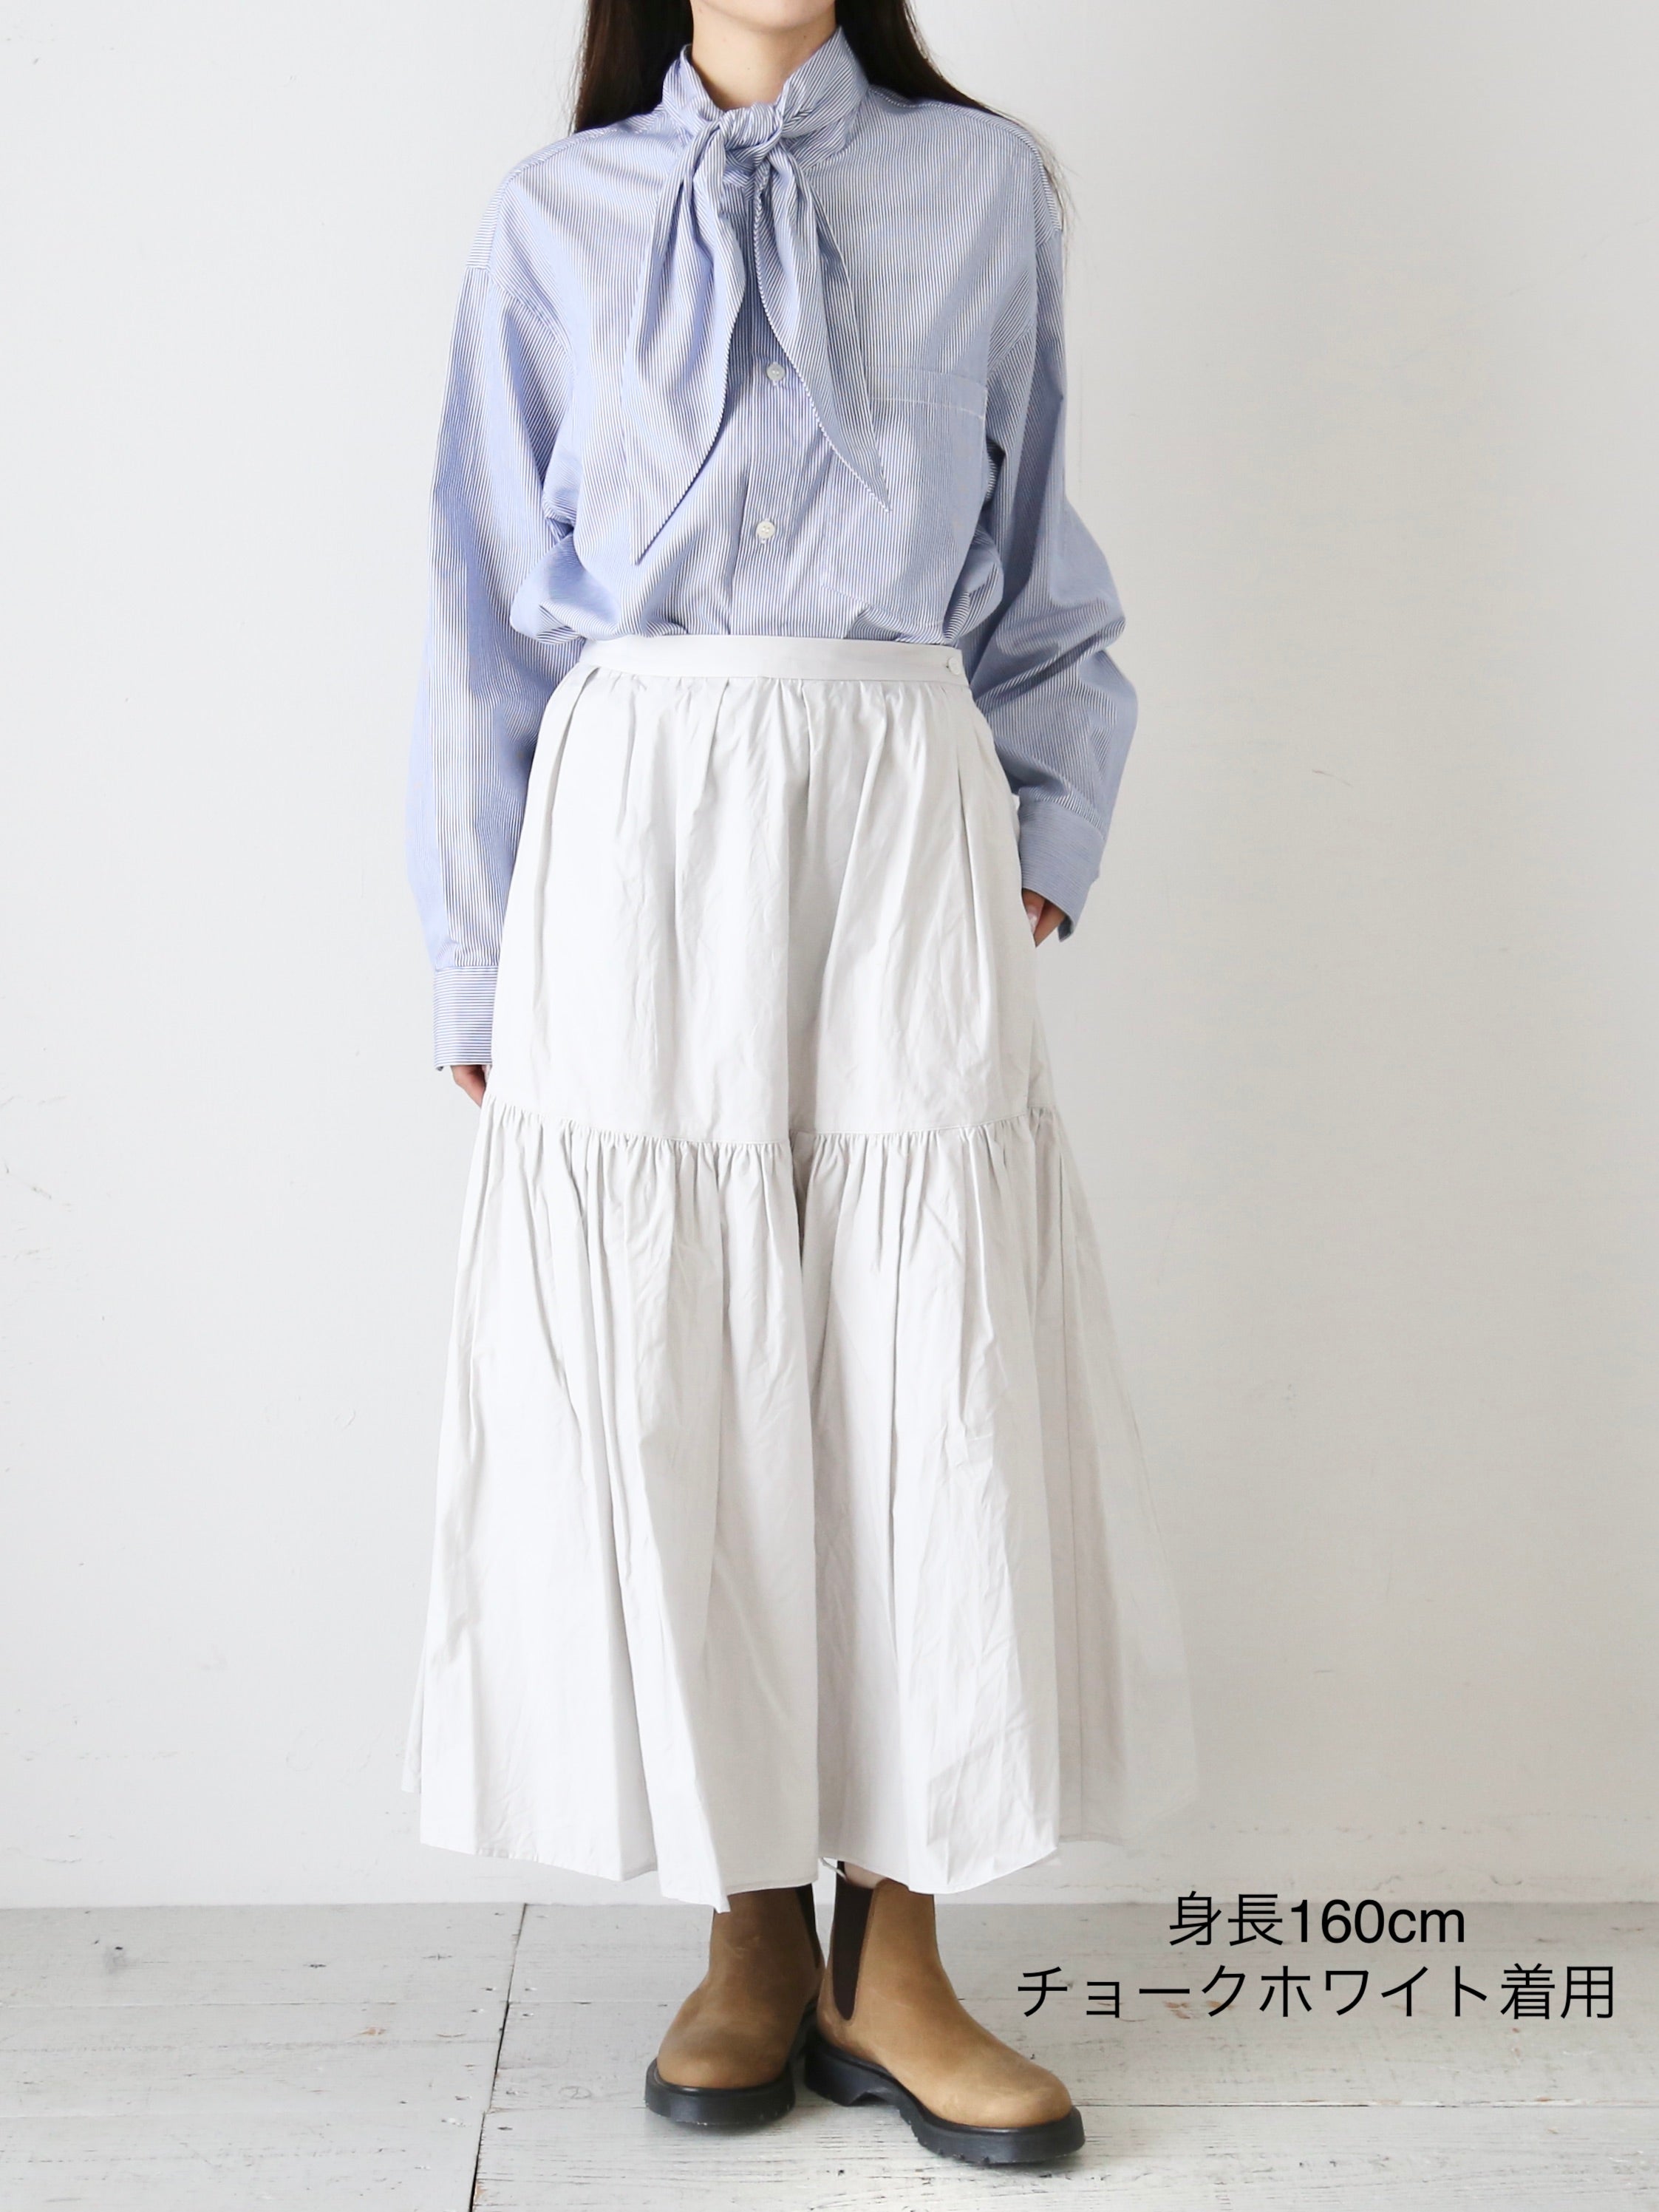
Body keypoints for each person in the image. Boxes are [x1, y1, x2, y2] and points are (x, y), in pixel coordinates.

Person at [402, 0, 1198, 2168]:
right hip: (635, 838)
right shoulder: (554, 214)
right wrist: (480, 948)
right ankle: (751, 1921)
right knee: (687, 1368)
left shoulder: (982, 188)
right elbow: (482, 609)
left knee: (926, 1362)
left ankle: (900, 1949)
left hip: (899, 819)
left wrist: (1044, 835)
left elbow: (1038, 560)